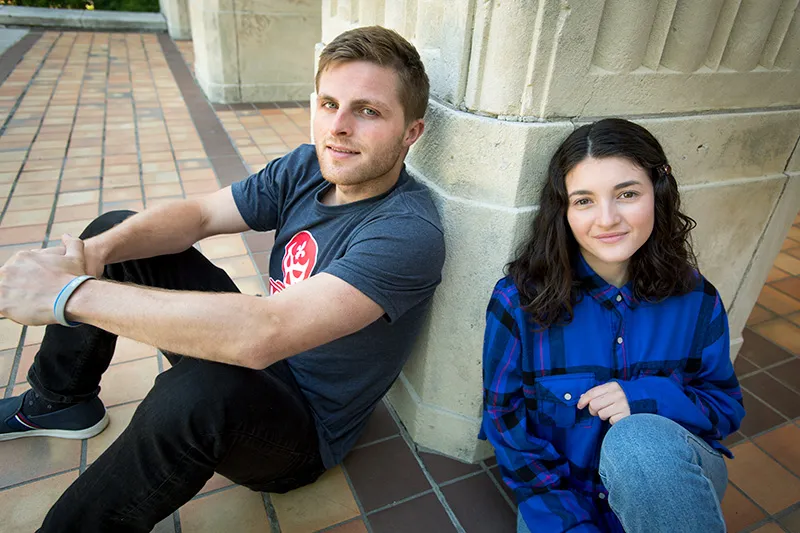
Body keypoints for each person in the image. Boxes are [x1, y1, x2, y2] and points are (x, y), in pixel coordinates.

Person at [0, 26, 445, 532]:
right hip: (265, 354)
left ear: (411, 132)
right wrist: (93, 256)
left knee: (194, 394)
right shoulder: (307, 167)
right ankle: (59, 402)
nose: (338, 127)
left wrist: (68, 296)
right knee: (114, 235)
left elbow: (264, 334)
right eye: (328, 103)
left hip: (302, 427)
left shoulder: (408, 231)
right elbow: (200, 216)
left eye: (368, 111)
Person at [480, 118, 745, 533]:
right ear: (563, 210)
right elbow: (505, 422)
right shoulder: (518, 302)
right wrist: (571, 524)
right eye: (584, 200)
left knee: (638, 443)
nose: (607, 219)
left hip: (670, 483)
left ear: (658, 193)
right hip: (565, 501)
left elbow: (726, 408)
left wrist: (645, 400)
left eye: (627, 194)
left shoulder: (696, 299)